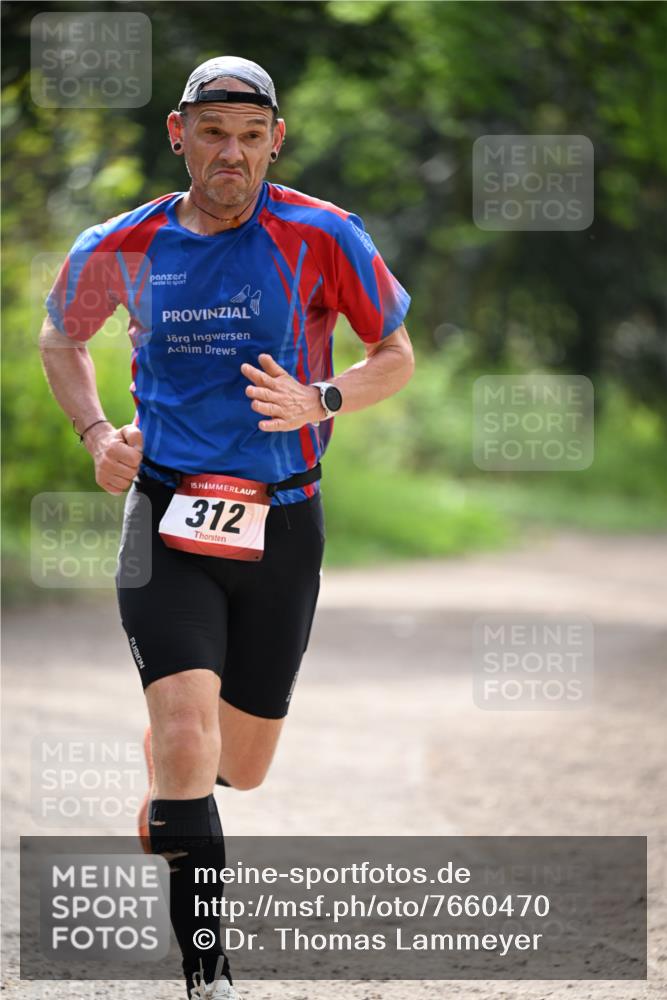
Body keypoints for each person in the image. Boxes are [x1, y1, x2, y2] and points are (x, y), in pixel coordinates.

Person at [39, 55, 414, 1000]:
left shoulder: (324, 235)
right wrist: (95, 433)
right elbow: (62, 336)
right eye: (213, 134)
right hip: (162, 511)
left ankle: (178, 786)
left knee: (236, 766)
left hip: (282, 524)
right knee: (183, 736)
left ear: (275, 139)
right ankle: (209, 975)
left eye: (251, 136)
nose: (231, 154)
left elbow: (395, 353)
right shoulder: (121, 244)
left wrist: (320, 396)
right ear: (179, 135)